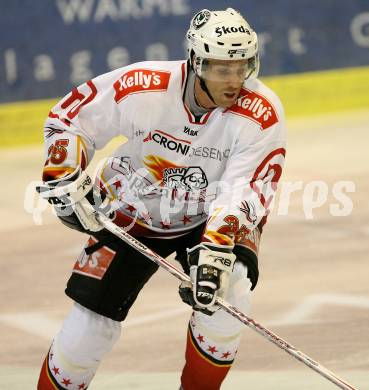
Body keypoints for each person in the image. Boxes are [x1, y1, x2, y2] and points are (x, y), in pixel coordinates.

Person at [37, 7, 286, 390]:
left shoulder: (261, 112)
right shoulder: (144, 84)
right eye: (222, 68)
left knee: (228, 297)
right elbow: (70, 120)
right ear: (196, 61)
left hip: (210, 213)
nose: (235, 79)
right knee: (88, 330)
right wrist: (63, 171)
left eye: (243, 66)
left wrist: (216, 249)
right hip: (130, 206)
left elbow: (246, 188)